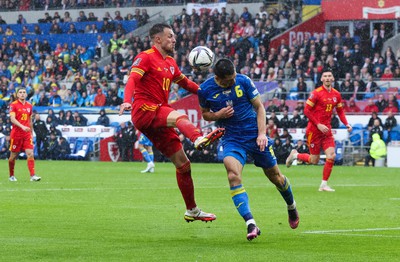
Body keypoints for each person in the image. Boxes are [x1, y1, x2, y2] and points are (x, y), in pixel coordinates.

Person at [119, 23, 224, 222]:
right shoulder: (145, 56)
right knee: (178, 117)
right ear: (157, 39)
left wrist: (207, 94)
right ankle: (198, 138)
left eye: (173, 36)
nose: (174, 40)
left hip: (157, 113)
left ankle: (192, 210)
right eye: (170, 36)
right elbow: (132, 79)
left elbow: (186, 83)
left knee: (183, 164)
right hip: (144, 109)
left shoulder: (170, 62)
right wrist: (126, 100)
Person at [197, 58, 299, 240]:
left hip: (254, 135)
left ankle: (291, 206)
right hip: (231, 139)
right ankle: (250, 223)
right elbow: (205, 114)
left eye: (234, 76)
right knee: (233, 175)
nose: (233, 81)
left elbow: (259, 107)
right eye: (229, 80)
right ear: (219, 79)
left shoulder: (243, 81)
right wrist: (218, 115)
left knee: (275, 177)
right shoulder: (205, 90)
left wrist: (261, 134)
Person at [286, 69, 352, 192]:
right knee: (314, 160)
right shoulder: (316, 93)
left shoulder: (336, 94)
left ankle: (323, 185)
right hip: (314, 131)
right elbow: (306, 110)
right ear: (321, 79)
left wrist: (347, 124)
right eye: (325, 76)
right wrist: (318, 124)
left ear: (333, 79)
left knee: (331, 156)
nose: (327, 78)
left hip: (326, 131)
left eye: (329, 76)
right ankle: (295, 155)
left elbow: (340, 111)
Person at [8, 88, 41, 182]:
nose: (22, 94)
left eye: (24, 92)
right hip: (16, 134)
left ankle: (32, 175)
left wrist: (31, 132)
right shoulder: (13, 105)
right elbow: (12, 119)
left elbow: (30, 120)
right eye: (20, 92)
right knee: (13, 156)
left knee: (30, 153)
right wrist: (22, 126)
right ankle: (11, 175)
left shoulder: (29, 106)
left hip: (26, 134)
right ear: (17, 95)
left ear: (26, 95)